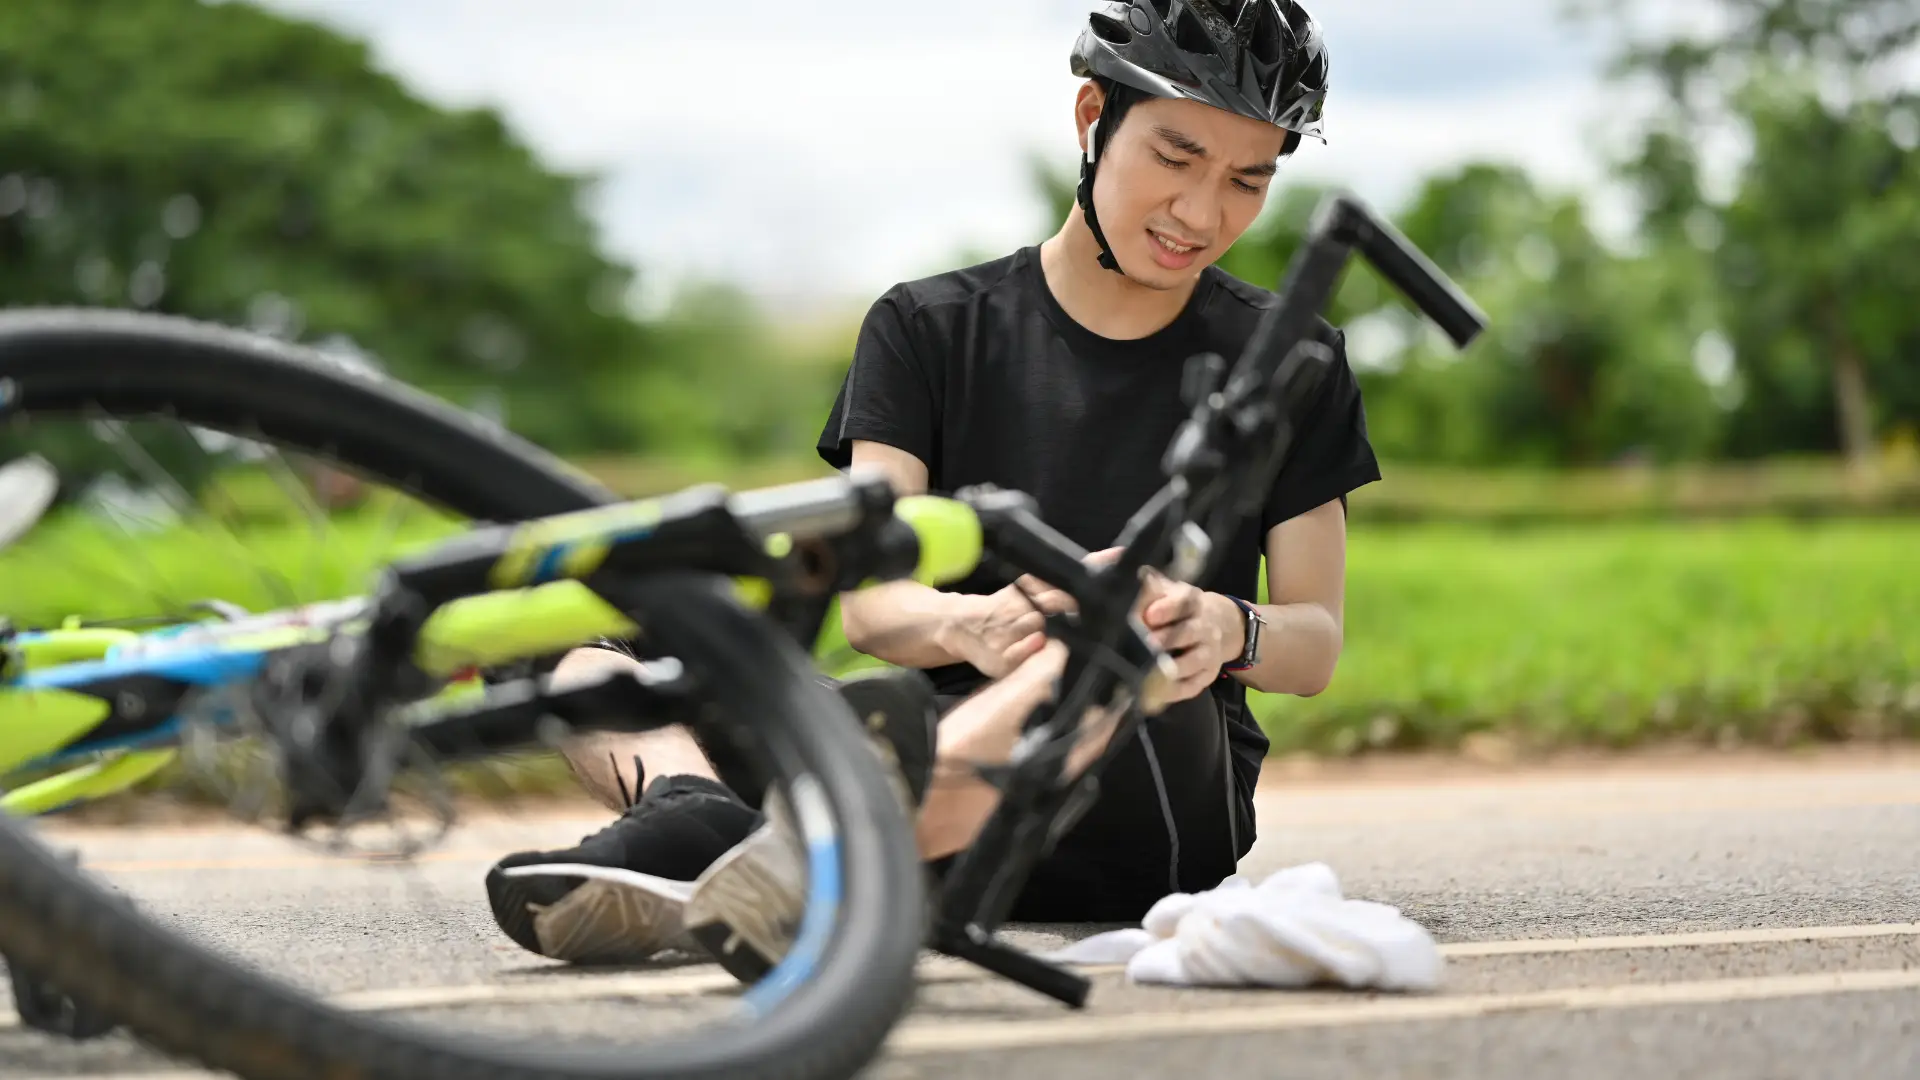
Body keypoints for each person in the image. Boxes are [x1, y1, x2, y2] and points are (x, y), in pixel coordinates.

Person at [483, 0, 1377, 974]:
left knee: (1124, 619)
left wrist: (1224, 626)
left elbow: (1314, 643)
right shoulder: (925, 328)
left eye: (1248, 179)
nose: (1204, 213)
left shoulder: (1291, 360)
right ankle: (702, 819)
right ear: (1093, 117)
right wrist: (968, 626)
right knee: (587, 633)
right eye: (1175, 158)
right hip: (910, 740)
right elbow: (873, 605)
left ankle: (801, 856)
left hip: (1144, 788)